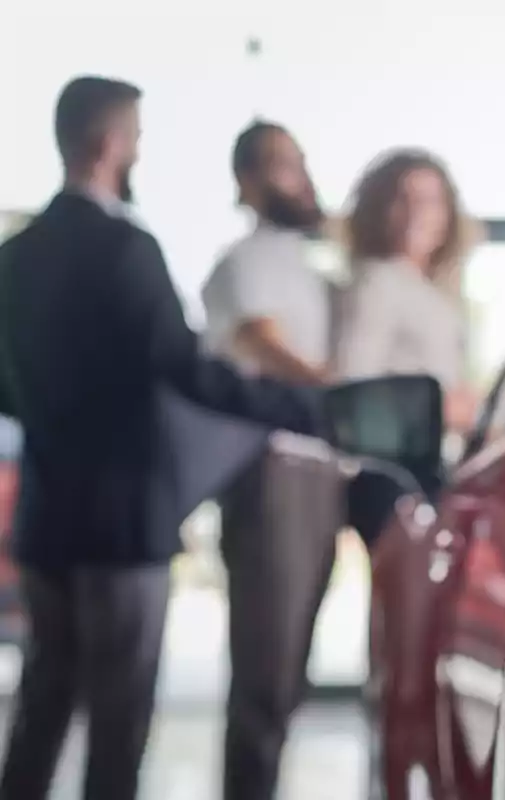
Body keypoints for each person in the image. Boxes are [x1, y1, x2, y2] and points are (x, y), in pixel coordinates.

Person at [0, 77, 325, 800]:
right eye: (138, 138)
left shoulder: (14, 259)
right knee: (119, 719)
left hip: (46, 515)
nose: (140, 149)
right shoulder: (127, 248)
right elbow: (186, 369)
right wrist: (302, 408)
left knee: (42, 702)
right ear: (111, 143)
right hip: (123, 523)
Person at [200, 120, 340, 800]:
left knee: (289, 672)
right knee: (266, 668)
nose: (303, 177)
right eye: (286, 165)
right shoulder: (242, 263)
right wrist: (344, 396)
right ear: (249, 181)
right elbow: (262, 343)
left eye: (302, 161)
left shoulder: (304, 268)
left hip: (316, 473)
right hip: (272, 471)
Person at [336, 148, 479, 437]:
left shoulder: (427, 290)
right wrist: (445, 409)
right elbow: (354, 385)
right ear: (377, 210)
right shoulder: (377, 282)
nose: (416, 214)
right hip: (396, 459)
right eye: (402, 200)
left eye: (430, 202)